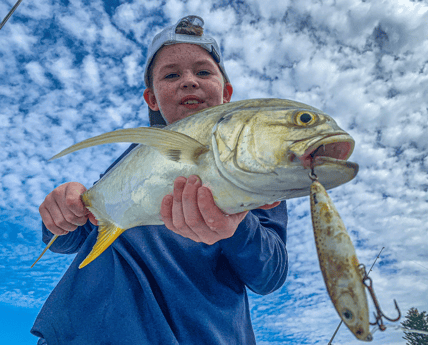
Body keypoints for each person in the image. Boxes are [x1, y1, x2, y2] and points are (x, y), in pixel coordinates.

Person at [31, 15, 288, 345]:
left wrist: (237, 227)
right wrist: (61, 211)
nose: (188, 81)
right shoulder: (131, 158)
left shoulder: (259, 164)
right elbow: (76, 237)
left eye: (203, 71)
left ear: (226, 93)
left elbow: (270, 275)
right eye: (171, 75)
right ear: (152, 99)